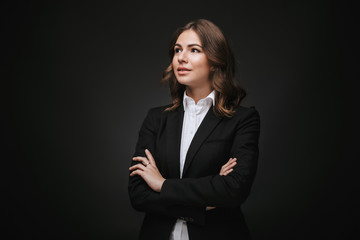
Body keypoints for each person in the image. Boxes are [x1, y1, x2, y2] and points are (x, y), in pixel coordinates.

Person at [128, 19, 260, 240]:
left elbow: (234, 190)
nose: (181, 57)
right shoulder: (156, 118)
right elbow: (138, 195)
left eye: (194, 50)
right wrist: (204, 203)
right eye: (177, 50)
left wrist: (162, 185)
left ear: (216, 61)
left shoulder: (243, 119)